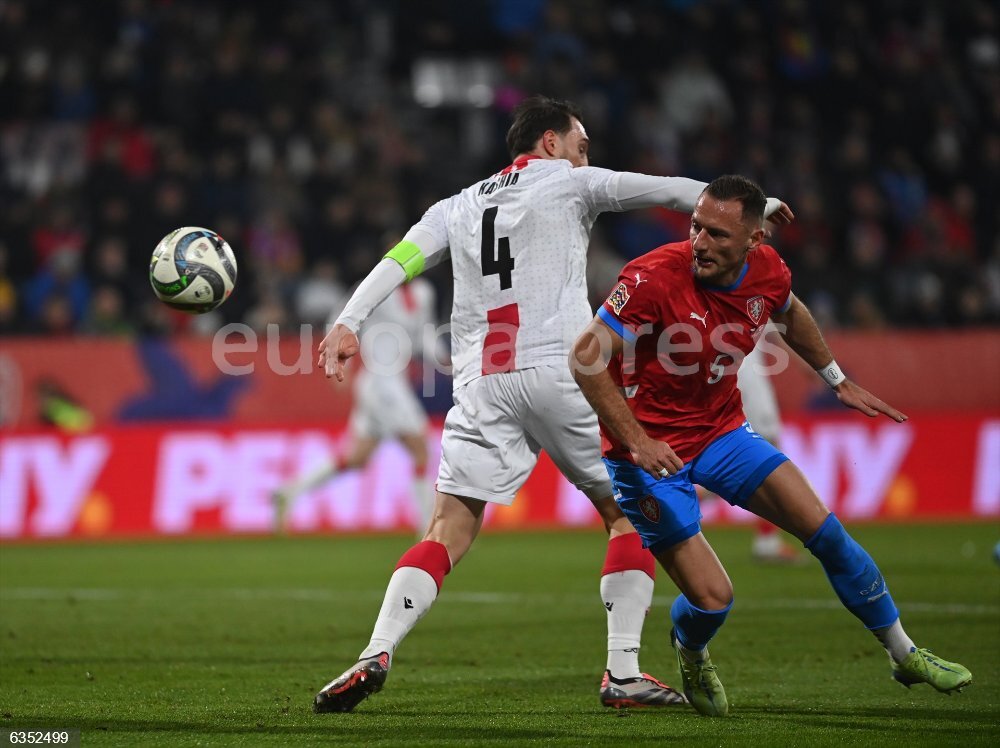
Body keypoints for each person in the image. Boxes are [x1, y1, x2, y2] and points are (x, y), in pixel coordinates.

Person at [312, 96, 794, 713]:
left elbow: (399, 261)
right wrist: (758, 208)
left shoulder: (453, 207)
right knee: (629, 513)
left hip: (483, 382)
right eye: (580, 144)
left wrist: (349, 320)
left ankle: (375, 650)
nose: (584, 156)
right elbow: (673, 193)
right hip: (561, 372)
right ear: (548, 143)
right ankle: (623, 671)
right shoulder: (571, 185)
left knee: (447, 527)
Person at [569, 174, 972, 717]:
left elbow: (790, 310)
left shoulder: (768, 271)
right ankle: (689, 648)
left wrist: (835, 377)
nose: (700, 243)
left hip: (721, 432)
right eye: (695, 227)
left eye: (717, 234)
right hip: (649, 455)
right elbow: (585, 357)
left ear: (754, 241)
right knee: (713, 600)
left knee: (825, 532)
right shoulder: (650, 277)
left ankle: (904, 653)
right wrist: (637, 440)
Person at [272, 279, 438, 534]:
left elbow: (425, 334)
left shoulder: (423, 292)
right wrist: (340, 359)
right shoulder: (380, 285)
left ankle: (290, 490)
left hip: (393, 383)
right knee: (420, 451)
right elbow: (342, 316)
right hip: (382, 384)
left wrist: (444, 358)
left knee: (356, 458)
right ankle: (427, 530)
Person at [738, 336, 801, 562]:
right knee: (769, 458)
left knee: (744, 463)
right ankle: (767, 542)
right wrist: (815, 367)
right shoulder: (756, 299)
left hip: (727, 373)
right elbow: (787, 331)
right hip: (748, 377)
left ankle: (662, 510)